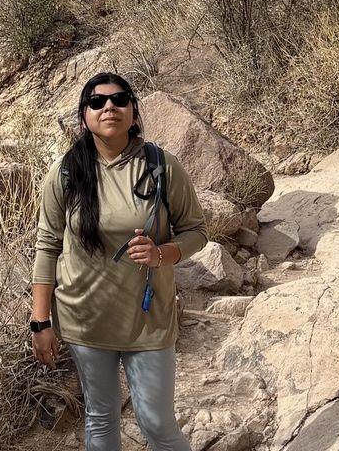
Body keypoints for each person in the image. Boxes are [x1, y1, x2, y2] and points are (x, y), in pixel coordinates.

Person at [30, 70, 208, 451]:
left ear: (134, 111)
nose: (109, 106)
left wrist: (162, 254)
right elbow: (47, 247)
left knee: (158, 424)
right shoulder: (66, 173)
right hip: (85, 318)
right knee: (100, 416)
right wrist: (40, 322)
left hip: (148, 319)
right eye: (97, 102)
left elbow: (196, 231)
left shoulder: (161, 166)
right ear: (84, 116)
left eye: (119, 99)